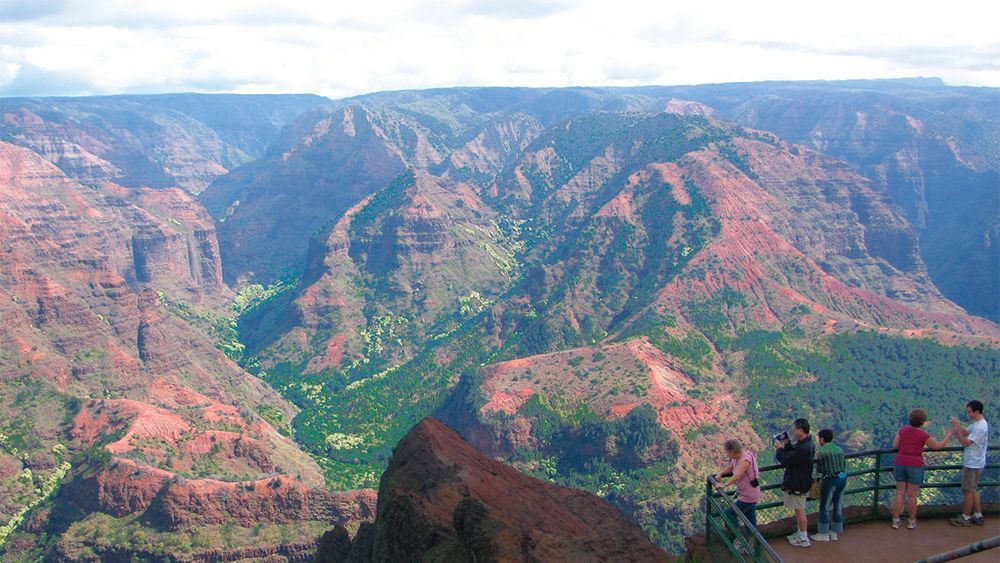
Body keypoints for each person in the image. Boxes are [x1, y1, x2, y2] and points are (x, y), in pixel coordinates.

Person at [890, 408, 952, 529]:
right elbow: (937, 446)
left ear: (910, 419)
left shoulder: (902, 431)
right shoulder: (923, 435)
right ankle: (911, 521)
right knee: (912, 495)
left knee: (900, 493)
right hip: (915, 464)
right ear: (923, 422)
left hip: (900, 462)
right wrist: (949, 435)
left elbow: (895, 446)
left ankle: (895, 520)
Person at [775, 418, 814, 548]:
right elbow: (793, 454)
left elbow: (786, 460)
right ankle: (800, 532)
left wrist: (779, 449)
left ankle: (803, 537)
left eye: (795, 429)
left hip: (798, 483)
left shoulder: (804, 447)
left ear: (800, 429)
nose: (793, 431)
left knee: (799, 509)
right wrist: (787, 443)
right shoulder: (806, 444)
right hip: (801, 481)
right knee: (798, 509)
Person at [950, 400, 989, 526]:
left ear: (977, 412)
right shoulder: (978, 423)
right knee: (973, 489)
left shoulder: (979, 427)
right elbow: (964, 432)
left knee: (967, 491)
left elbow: (966, 442)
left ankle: (965, 517)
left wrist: (956, 428)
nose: (968, 414)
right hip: (978, 462)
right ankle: (978, 515)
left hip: (972, 463)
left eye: (969, 412)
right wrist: (957, 427)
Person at [713, 438, 762, 529]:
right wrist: (720, 473)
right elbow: (730, 467)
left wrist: (724, 484)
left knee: (729, 513)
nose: (727, 454)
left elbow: (738, 474)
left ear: (732, 451)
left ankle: (736, 537)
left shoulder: (745, 460)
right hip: (746, 493)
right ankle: (752, 542)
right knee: (750, 521)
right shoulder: (736, 458)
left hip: (749, 495)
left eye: (727, 451)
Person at [811, 429, 846, 542]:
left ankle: (824, 532)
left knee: (824, 506)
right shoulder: (839, 450)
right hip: (842, 478)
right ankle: (834, 532)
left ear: (821, 438)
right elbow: (843, 465)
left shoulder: (821, 451)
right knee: (837, 505)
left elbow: (820, 470)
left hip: (830, 480)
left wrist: (815, 482)